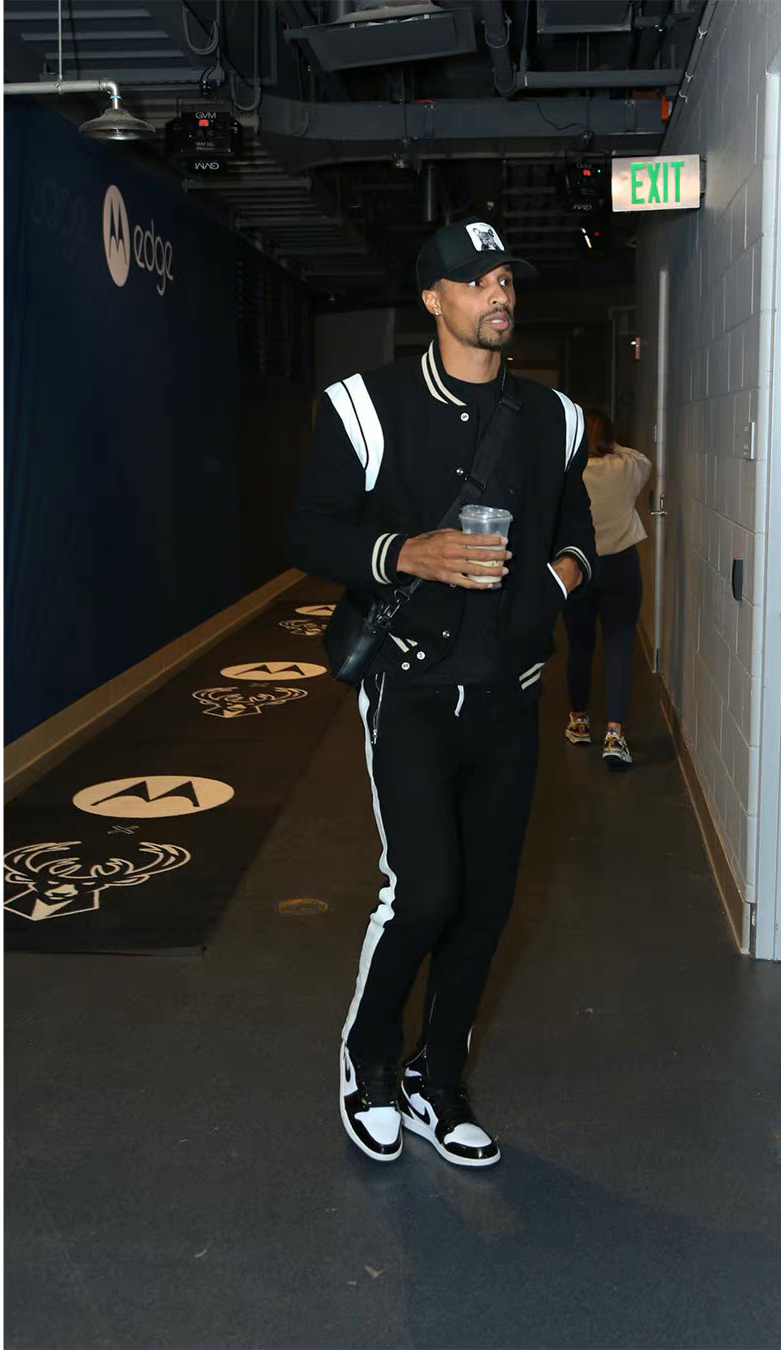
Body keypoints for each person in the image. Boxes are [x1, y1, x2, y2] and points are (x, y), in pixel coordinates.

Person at [286, 217, 596, 1167]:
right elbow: (310, 531)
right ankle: (369, 1060)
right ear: (432, 299)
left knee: (487, 903)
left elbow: (581, 538)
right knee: (424, 891)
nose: (500, 293)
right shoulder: (364, 407)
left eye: (507, 279)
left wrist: (549, 589)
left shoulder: (555, 418)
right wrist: (404, 553)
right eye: (477, 280)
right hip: (411, 687)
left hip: (510, 691)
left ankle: (438, 1078)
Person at [561, 408, 652, 770]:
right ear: (610, 439)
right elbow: (643, 459)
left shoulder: (569, 472)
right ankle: (615, 736)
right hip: (621, 567)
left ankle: (579, 722)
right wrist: (612, 446)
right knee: (619, 647)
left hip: (579, 566)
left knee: (579, 646)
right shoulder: (626, 468)